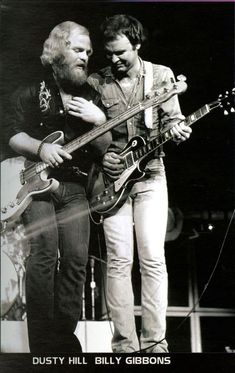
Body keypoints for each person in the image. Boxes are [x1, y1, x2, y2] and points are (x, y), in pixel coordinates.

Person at [4, 21, 110, 353]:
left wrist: (100, 121)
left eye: (89, 52)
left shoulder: (91, 94)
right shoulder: (31, 89)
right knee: (44, 255)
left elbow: (106, 146)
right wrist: (41, 149)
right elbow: (10, 132)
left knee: (77, 260)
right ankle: (42, 343)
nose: (85, 57)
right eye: (78, 49)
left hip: (76, 188)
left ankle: (63, 339)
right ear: (58, 50)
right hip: (37, 185)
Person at [88, 14, 192, 353]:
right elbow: (87, 136)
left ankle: (154, 344)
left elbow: (175, 122)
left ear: (137, 44)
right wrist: (102, 156)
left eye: (121, 53)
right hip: (112, 179)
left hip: (152, 174)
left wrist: (178, 131)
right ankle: (123, 345)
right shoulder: (96, 82)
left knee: (152, 258)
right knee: (119, 261)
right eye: (109, 54)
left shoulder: (161, 77)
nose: (114, 60)